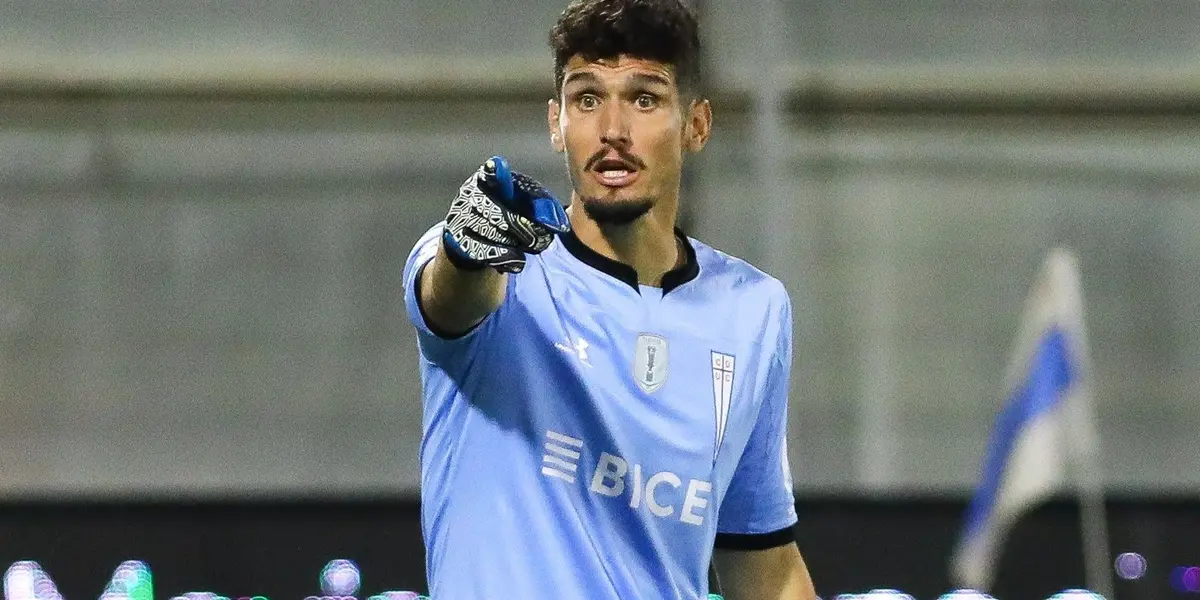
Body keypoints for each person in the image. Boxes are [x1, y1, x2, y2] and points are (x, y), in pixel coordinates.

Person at [402, 0, 817, 598]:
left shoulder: (755, 309)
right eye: (587, 99)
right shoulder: (499, 263)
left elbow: (764, 562)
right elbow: (451, 300)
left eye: (644, 99)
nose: (612, 129)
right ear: (556, 123)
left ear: (697, 125)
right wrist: (467, 253)